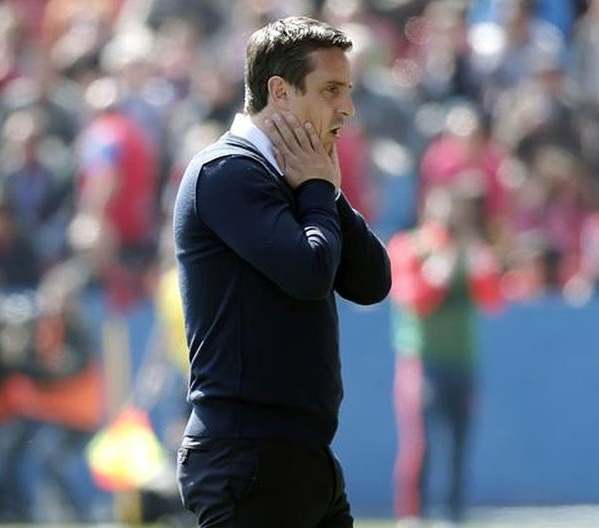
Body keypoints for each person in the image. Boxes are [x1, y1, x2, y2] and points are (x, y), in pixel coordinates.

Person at [172, 16, 392, 527]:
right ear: (280, 92)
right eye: (331, 89)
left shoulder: (294, 173)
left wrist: (325, 192)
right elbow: (309, 272)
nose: (347, 108)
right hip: (247, 458)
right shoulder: (227, 170)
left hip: (300, 457)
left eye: (348, 90)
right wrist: (317, 189)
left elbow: (372, 281)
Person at [388, 185, 502, 527]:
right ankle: (413, 516)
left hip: (462, 360)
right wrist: (443, 262)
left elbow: (493, 300)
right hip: (423, 361)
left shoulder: (470, 251)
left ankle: (453, 515)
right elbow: (414, 299)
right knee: (419, 444)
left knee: (459, 443)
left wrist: (476, 259)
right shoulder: (410, 247)